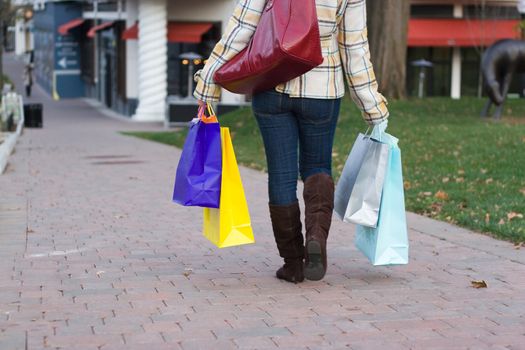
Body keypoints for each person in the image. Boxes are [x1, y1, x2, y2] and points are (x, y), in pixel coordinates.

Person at [194, 0, 389, 283]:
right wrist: (372, 106)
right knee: (318, 165)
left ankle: (293, 263)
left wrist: (208, 83)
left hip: (271, 83)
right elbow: (355, 47)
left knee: (281, 174)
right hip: (323, 88)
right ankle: (316, 237)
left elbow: (241, 28)